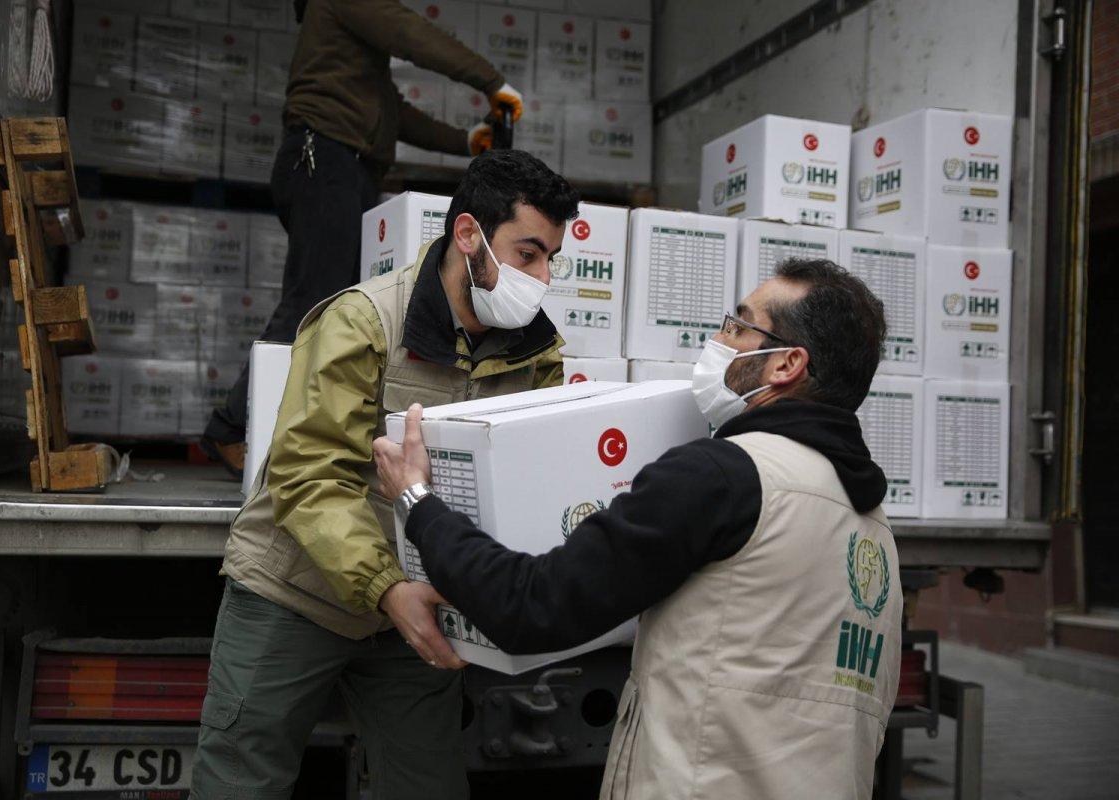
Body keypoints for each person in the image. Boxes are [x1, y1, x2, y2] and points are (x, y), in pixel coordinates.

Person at [374, 259, 904, 800]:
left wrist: (419, 503)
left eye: (738, 326)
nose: (719, 339)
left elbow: (531, 607)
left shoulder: (723, 477)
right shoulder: (871, 525)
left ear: (786, 364)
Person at [190, 150, 579, 799]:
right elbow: (309, 475)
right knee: (241, 779)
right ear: (467, 235)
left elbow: (526, 485)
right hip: (296, 591)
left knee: (429, 784)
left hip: (418, 609)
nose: (541, 278)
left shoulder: (534, 353)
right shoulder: (364, 321)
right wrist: (385, 587)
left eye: (550, 260)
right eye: (527, 254)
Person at [199, 0, 524, 475]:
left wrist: (466, 141)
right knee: (312, 298)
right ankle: (229, 428)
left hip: (345, 168)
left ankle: (306, 434)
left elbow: (392, 112)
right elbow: (409, 33)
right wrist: (490, 80)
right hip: (323, 160)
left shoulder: (352, 53)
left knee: (340, 307)